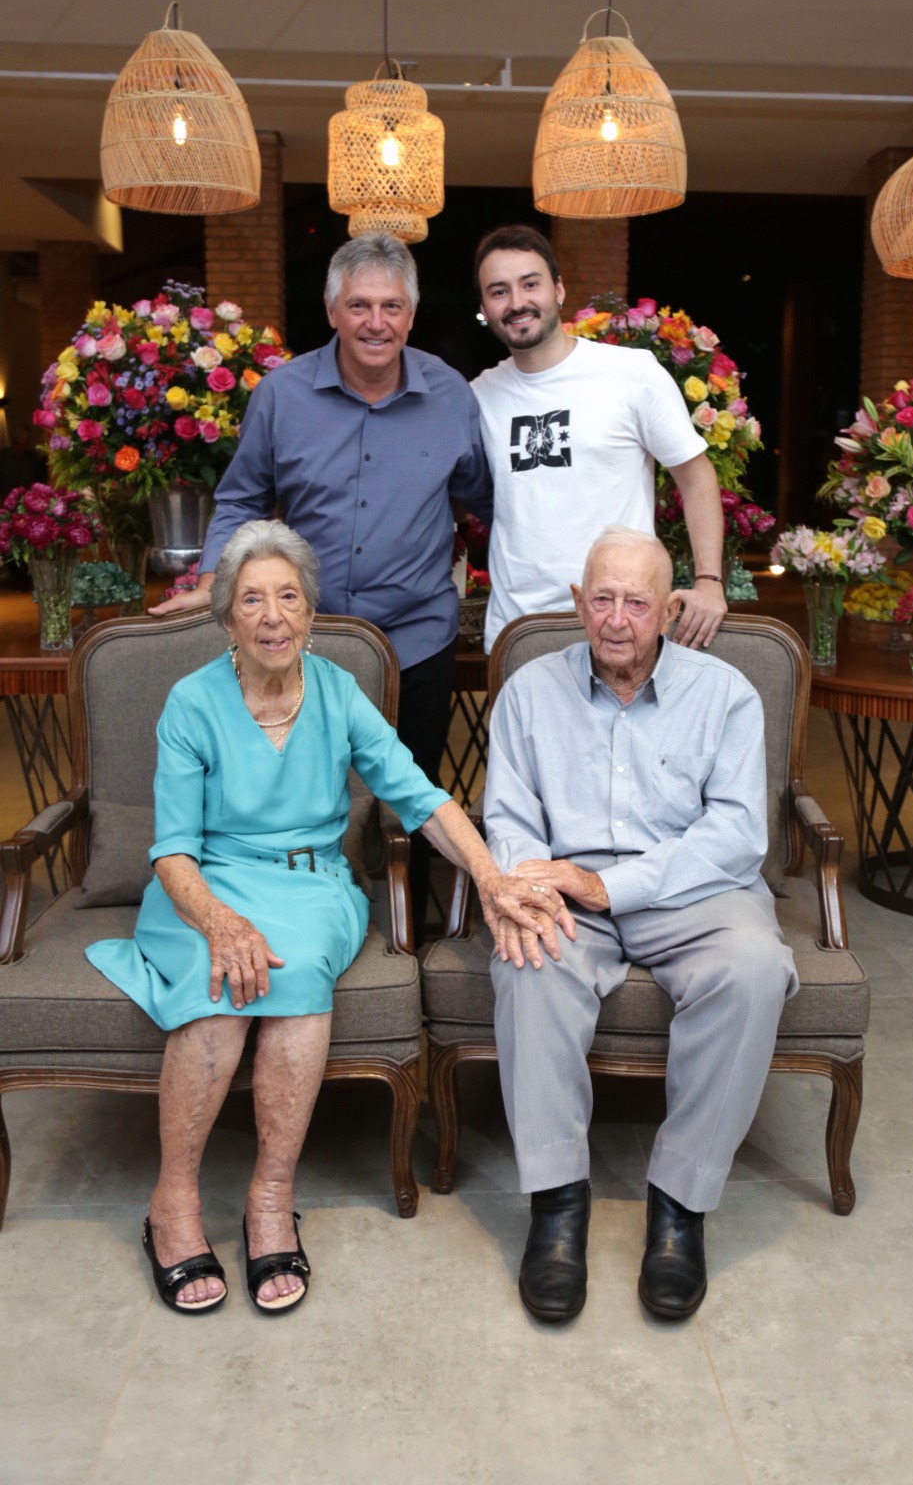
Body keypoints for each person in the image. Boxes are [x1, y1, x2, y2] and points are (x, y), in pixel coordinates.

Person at [89, 521, 571, 1316]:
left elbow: (419, 796)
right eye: (252, 599)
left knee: (297, 964)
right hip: (203, 888)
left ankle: (269, 1198)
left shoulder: (339, 693)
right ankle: (172, 1204)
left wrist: (489, 876)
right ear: (227, 619)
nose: (273, 614)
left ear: (311, 615)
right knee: (220, 986)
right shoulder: (191, 703)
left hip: (313, 887)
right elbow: (172, 851)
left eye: (288, 597)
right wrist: (219, 921)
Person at [483, 526, 797, 1323]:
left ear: (669, 609)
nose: (616, 619)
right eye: (601, 599)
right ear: (577, 603)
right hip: (565, 884)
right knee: (530, 962)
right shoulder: (528, 691)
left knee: (755, 968)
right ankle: (557, 1206)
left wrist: (610, 885)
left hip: (689, 889)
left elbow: (733, 837)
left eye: (636, 601)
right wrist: (529, 887)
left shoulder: (724, 695)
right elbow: (511, 819)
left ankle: (679, 1208)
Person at [151, 233, 495, 932]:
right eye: (360, 304)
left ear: (412, 312)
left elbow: (485, 502)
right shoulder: (283, 395)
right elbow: (243, 497)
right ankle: (317, 914)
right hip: (308, 639)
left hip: (416, 638)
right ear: (332, 310)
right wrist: (218, 582)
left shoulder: (451, 396)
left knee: (410, 792)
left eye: (392, 305)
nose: (377, 321)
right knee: (308, 792)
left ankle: (411, 937)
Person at [471, 224, 728, 653]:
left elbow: (696, 476)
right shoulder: (478, 396)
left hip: (622, 623)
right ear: (484, 306)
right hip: (519, 630)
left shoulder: (631, 373)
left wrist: (709, 581)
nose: (517, 302)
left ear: (558, 289)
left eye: (530, 284)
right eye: (499, 291)